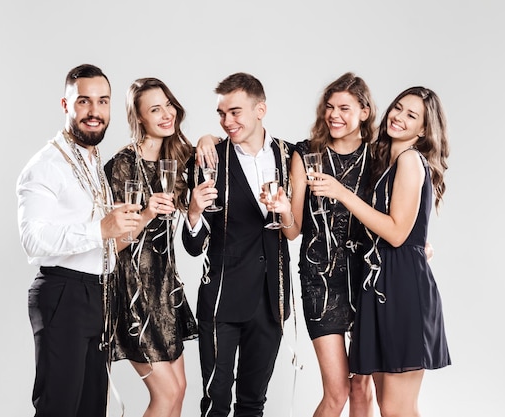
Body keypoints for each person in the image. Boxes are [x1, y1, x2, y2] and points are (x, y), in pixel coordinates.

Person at [307, 86, 451, 416]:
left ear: (425, 129)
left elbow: (398, 234)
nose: (398, 117)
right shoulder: (391, 162)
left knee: (398, 410)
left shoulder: (411, 160)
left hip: (401, 289)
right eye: (398, 108)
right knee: (389, 407)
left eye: (411, 115)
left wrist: (342, 193)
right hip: (383, 286)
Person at [17, 63, 142, 417]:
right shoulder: (45, 165)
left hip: (99, 295)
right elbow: (32, 239)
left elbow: (99, 237)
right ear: (65, 104)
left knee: (91, 409)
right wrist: (100, 228)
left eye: (103, 102)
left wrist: (127, 223)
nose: (95, 112)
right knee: (59, 408)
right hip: (63, 295)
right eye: (84, 102)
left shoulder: (90, 159)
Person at [262, 72, 376, 417]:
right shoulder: (306, 153)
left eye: (344, 107)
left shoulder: (378, 157)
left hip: (367, 278)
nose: (334, 115)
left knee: (362, 388)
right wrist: (282, 211)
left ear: (364, 112)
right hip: (320, 281)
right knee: (337, 391)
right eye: (329, 107)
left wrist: (420, 241)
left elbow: (396, 210)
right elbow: (293, 231)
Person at [183, 72, 294, 417]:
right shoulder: (208, 157)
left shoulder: (290, 157)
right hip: (221, 302)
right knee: (215, 403)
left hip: (271, 299)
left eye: (235, 112)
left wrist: (286, 210)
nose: (226, 121)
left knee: (253, 403)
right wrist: (194, 211)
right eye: (221, 114)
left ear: (260, 109)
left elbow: (292, 229)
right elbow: (193, 245)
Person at [103, 77, 199, 417]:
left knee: (180, 391)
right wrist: (146, 213)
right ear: (139, 118)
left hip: (165, 289)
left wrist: (196, 207)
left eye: (168, 105)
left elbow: (194, 235)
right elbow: (111, 245)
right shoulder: (122, 165)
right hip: (133, 293)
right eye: (154, 109)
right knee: (166, 393)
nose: (165, 114)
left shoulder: (178, 159)